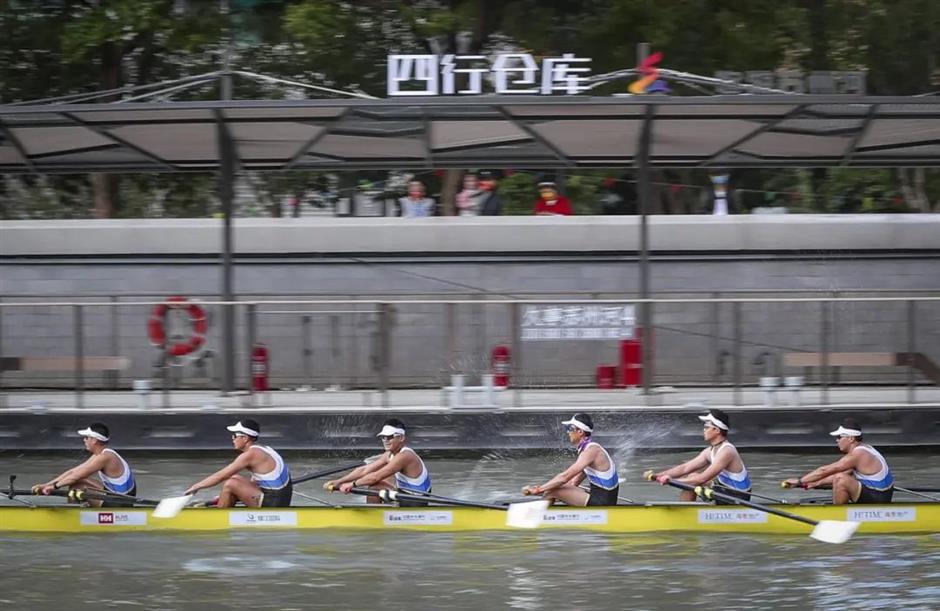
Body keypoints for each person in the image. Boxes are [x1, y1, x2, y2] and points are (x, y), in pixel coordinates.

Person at [783, 418, 894, 504]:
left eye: (839, 437)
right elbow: (838, 475)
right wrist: (813, 483)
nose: (837, 440)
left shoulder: (858, 454)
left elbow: (825, 470)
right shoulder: (866, 448)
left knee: (840, 479)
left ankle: (838, 515)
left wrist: (799, 481)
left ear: (851, 438)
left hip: (878, 497)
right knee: (840, 477)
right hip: (881, 495)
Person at [324, 418, 432, 507]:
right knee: (377, 485)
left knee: (376, 484)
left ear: (401, 438)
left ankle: (375, 517)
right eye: (383, 437)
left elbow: (375, 477)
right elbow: (364, 470)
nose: (386, 440)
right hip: (405, 494)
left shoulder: (405, 456)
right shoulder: (389, 455)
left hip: (416, 501)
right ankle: (379, 512)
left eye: (390, 437)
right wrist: (339, 481)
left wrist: (352, 484)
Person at [184, 419, 293, 507]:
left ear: (245, 438)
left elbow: (220, 476)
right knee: (235, 478)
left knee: (231, 484)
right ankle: (223, 503)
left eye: (235, 435)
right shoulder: (265, 449)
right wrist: (227, 495)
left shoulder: (251, 455)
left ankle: (219, 516)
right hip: (279, 498)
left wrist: (196, 486)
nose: (232, 439)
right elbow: (255, 483)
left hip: (273, 503)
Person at [651, 409, 752, 503]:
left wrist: (671, 481)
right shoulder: (709, 451)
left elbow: (702, 479)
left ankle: (684, 512)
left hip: (738, 497)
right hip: (725, 490)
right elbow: (685, 468)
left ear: (716, 430)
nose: (704, 430)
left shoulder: (727, 451)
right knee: (692, 476)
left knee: (694, 481)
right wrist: (658, 475)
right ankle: (686, 508)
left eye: (707, 427)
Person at [521, 413, 619, 506]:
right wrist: (560, 495)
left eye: (571, 428)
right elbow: (573, 483)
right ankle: (548, 512)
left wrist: (538, 490)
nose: (568, 432)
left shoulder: (591, 451)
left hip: (602, 502)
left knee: (552, 491)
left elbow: (564, 477)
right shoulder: (588, 450)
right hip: (603, 499)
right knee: (553, 490)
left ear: (580, 432)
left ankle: (537, 514)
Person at [33, 422, 137, 508]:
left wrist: (54, 487)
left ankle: (76, 516)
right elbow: (73, 472)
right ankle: (82, 510)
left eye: (87, 437)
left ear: (94, 440)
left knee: (75, 487)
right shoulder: (102, 454)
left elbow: (75, 477)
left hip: (121, 502)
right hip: (117, 495)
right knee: (80, 482)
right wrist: (47, 485)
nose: (84, 440)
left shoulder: (104, 457)